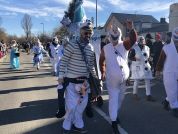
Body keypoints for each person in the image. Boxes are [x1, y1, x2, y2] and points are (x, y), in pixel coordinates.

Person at [58, 20, 99, 134]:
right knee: (71, 106)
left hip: (84, 84)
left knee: (81, 106)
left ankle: (78, 124)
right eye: (86, 33)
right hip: (71, 82)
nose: (88, 35)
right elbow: (64, 61)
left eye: (90, 33)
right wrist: (61, 76)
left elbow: (91, 67)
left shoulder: (91, 47)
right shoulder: (72, 44)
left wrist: (96, 79)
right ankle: (66, 127)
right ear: (81, 32)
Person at [99, 21, 137, 134]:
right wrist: (103, 72)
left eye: (116, 35)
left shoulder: (124, 44)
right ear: (109, 36)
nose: (114, 38)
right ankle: (114, 121)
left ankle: (114, 114)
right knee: (113, 99)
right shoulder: (105, 48)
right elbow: (101, 61)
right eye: (112, 36)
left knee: (120, 99)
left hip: (124, 80)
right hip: (112, 80)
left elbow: (133, 40)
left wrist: (131, 29)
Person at [156, 28, 178, 118]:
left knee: (174, 91)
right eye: (175, 39)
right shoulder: (166, 47)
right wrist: (158, 70)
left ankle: (166, 101)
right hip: (169, 72)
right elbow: (161, 60)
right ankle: (175, 108)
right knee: (172, 90)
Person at [129, 36, 155, 101]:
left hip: (146, 66)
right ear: (138, 41)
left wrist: (150, 59)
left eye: (143, 40)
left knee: (147, 80)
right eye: (141, 40)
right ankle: (135, 94)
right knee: (137, 81)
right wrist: (136, 58)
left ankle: (148, 95)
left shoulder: (147, 48)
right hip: (137, 66)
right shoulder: (134, 48)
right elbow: (130, 57)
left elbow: (148, 57)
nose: (142, 42)